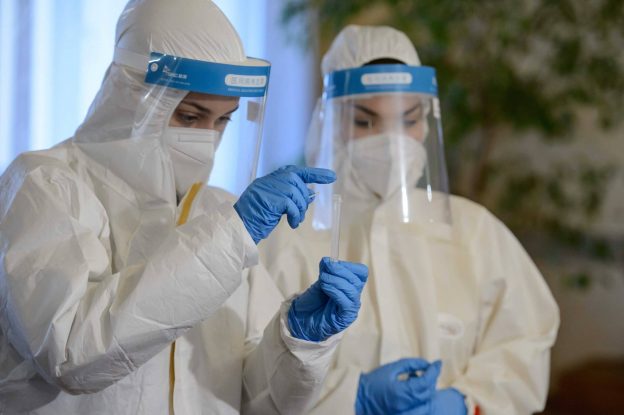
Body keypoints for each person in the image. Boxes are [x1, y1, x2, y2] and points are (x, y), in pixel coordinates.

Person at [0, 2, 369, 414]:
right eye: (190, 116)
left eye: (223, 120)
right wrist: (232, 236)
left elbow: (257, 401)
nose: (207, 138)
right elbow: (69, 353)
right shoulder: (46, 185)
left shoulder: (220, 211)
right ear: (131, 99)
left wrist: (298, 342)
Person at [259, 25, 560, 415]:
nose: (392, 142)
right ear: (328, 122)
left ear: (426, 122)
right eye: (365, 122)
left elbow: (525, 341)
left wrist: (465, 402)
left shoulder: (474, 232)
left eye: (408, 120)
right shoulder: (284, 237)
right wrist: (351, 398)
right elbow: (250, 377)